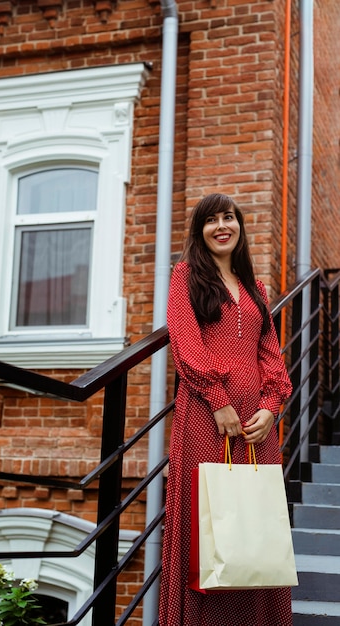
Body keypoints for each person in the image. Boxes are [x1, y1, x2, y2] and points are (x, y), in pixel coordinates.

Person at [159, 193, 293, 626]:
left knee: (254, 524)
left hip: (257, 426)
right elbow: (185, 343)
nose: (222, 226)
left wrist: (272, 406)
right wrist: (218, 401)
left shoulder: (255, 287)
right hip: (204, 419)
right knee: (208, 525)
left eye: (229, 218)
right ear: (200, 230)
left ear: (239, 226)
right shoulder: (185, 276)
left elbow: (269, 352)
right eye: (212, 219)